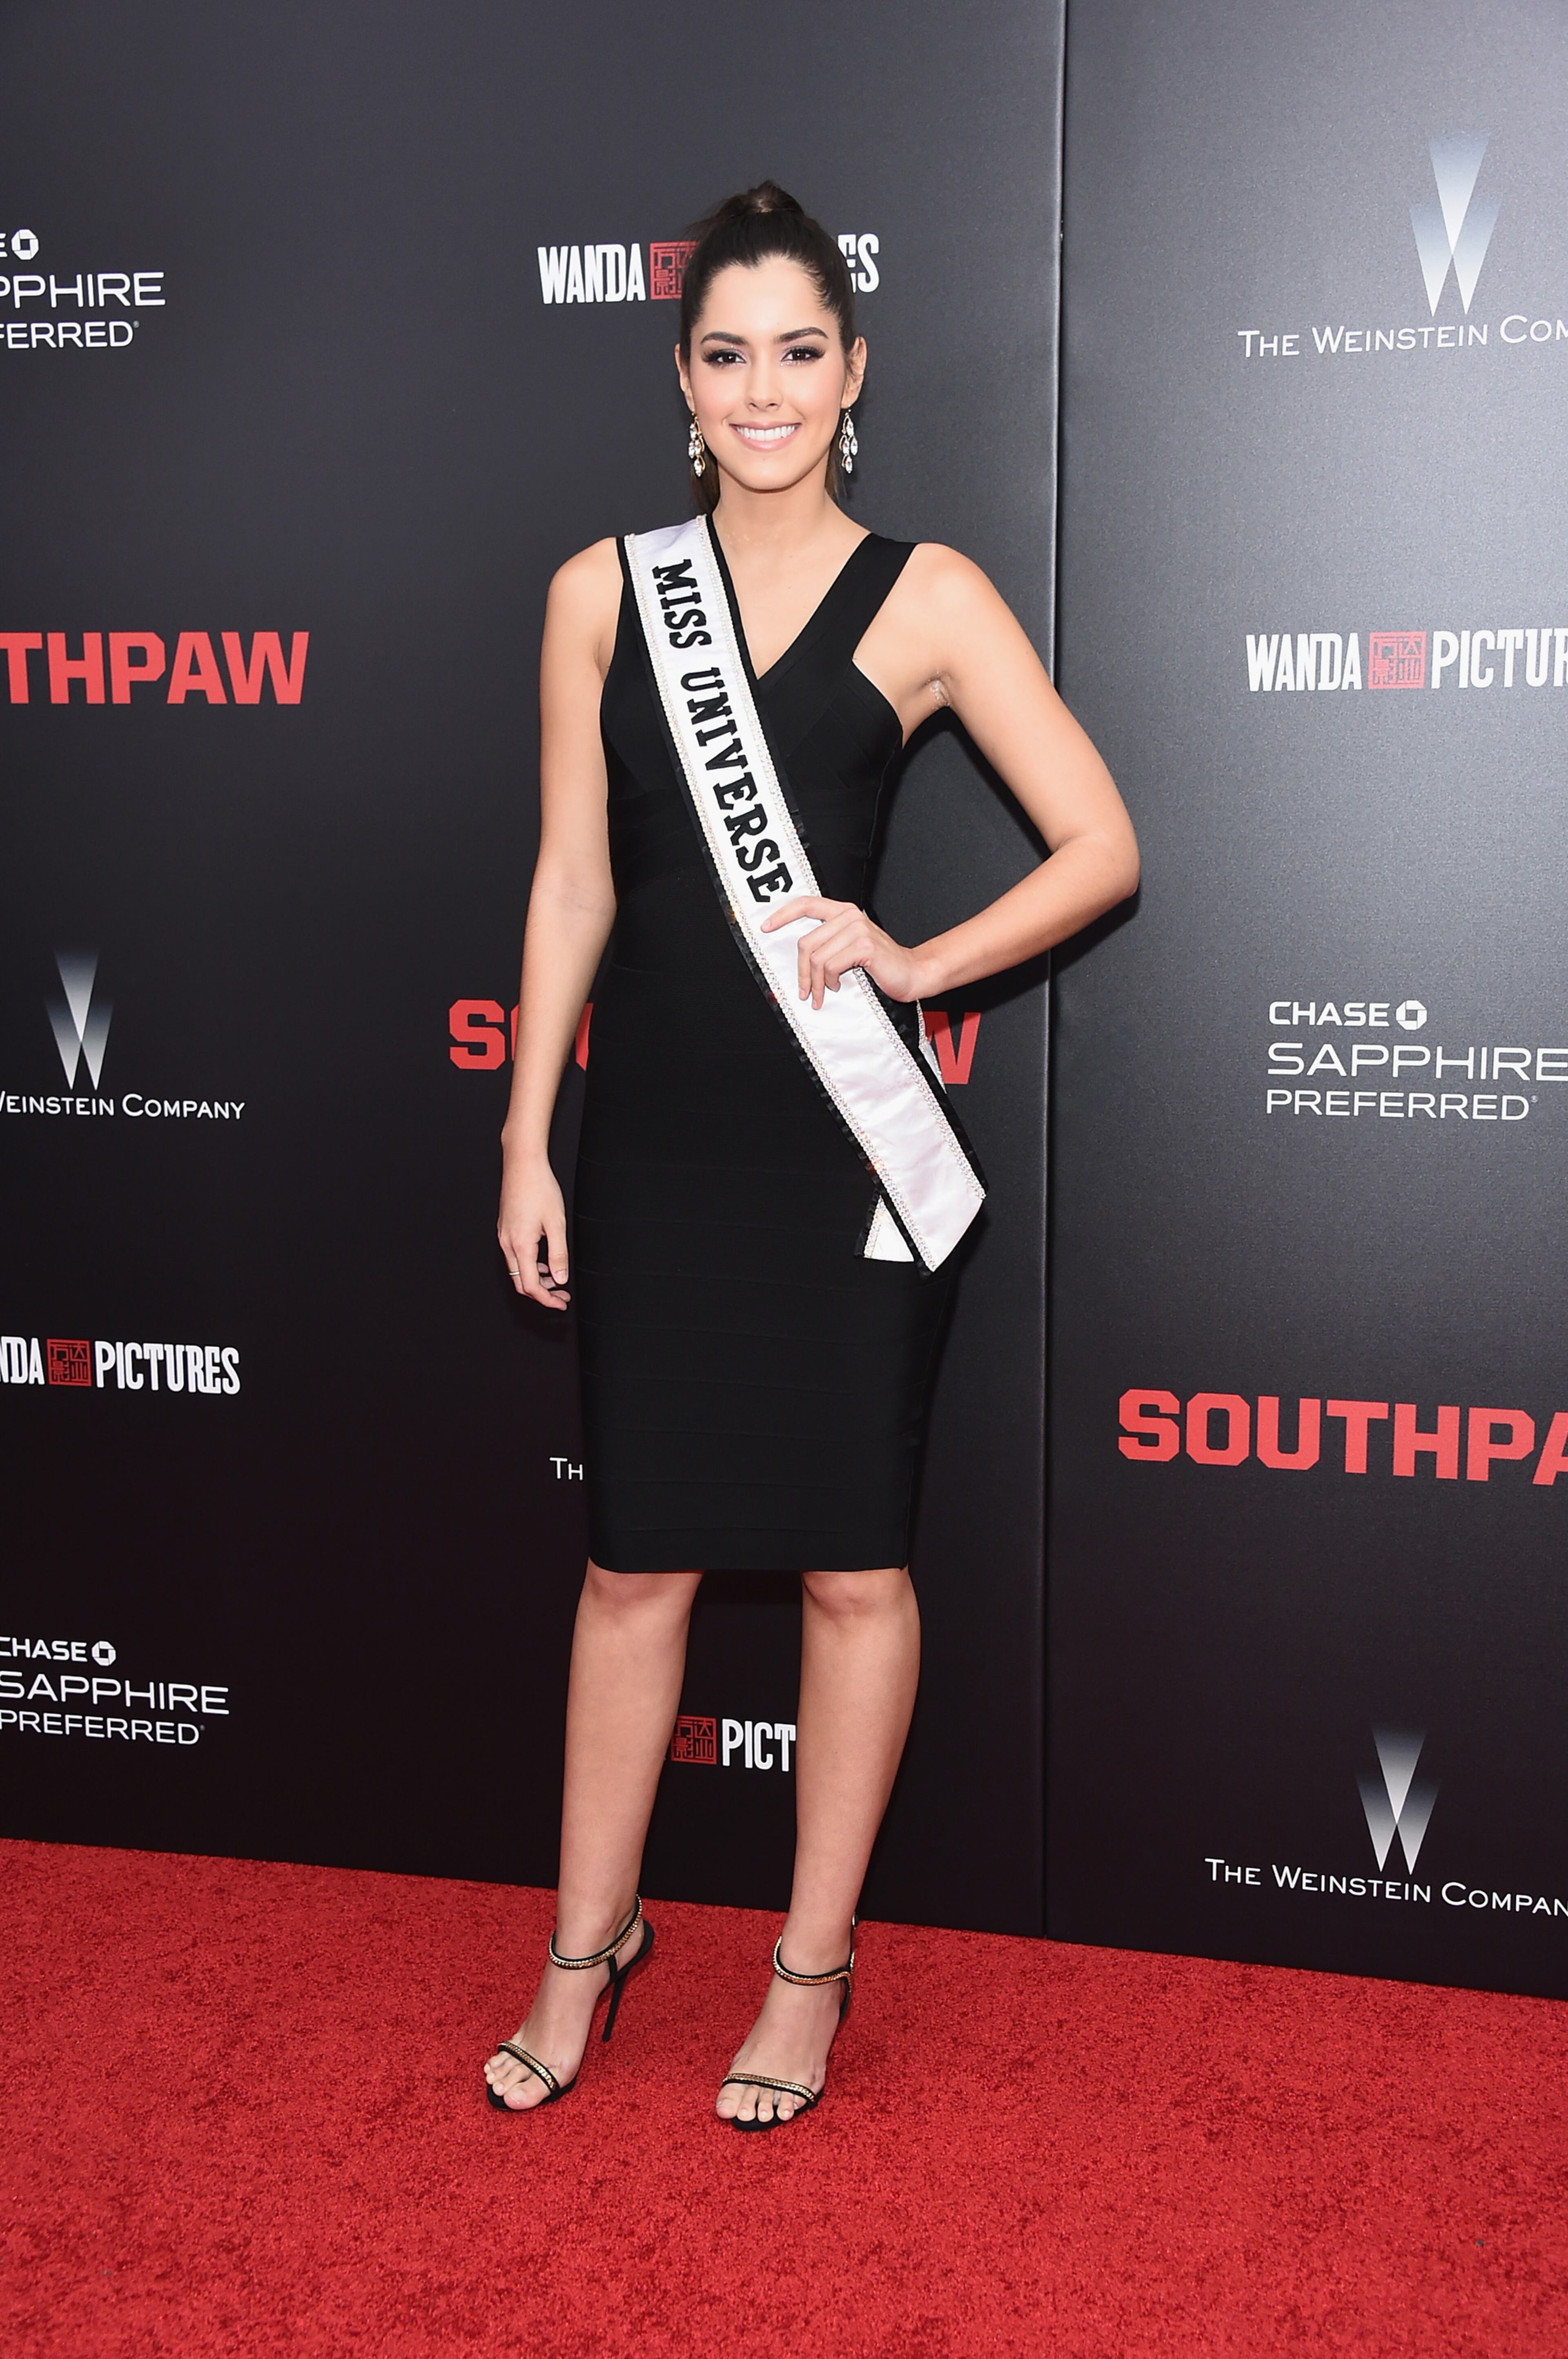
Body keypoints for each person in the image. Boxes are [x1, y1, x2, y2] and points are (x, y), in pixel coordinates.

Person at [484, 182, 1137, 2129]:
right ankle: (586, 1944)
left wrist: (924, 955)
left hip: (849, 1150)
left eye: (797, 352)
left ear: (853, 373)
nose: (761, 389)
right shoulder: (602, 593)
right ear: (681, 382)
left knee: (858, 1572)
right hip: (664, 1139)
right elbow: (575, 877)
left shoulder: (927, 597)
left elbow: (1102, 841)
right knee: (632, 1568)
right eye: (723, 354)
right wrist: (527, 1129)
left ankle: (809, 1965)